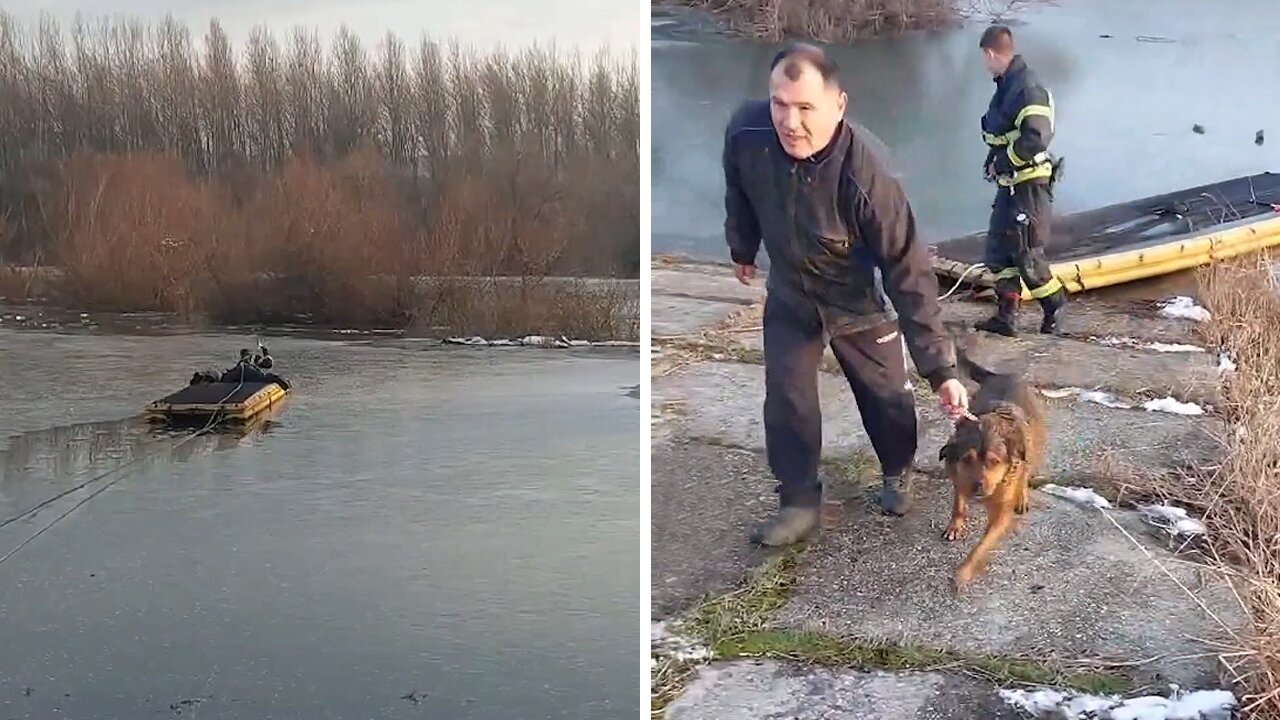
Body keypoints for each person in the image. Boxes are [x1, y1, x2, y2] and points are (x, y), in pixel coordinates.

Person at [722, 43, 971, 547]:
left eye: (805, 107)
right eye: (779, 104)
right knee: (787, 398)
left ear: (839, 105)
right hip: (793, 292)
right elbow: (740, 191)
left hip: (860, 300)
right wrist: (742, 246)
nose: (789, 122)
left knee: (885, 400)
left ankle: (896, 471)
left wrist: (940, 369)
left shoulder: (869, 177)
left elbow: (909, 271)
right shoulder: (747, 134)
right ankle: (797, 500)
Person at [973, 24, 1068, 337]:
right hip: (1010, 184)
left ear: (990, 54)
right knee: (999, 251)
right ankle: (1006, 316)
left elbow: (1036, 136)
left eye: (983, 59)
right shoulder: (1007, 85)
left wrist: (1003, 161)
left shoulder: (1027, 87)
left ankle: (1056, 307)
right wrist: (994, 161)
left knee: (1028, 256)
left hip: (1030, 186)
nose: (984, 65)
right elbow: (1003, 134)